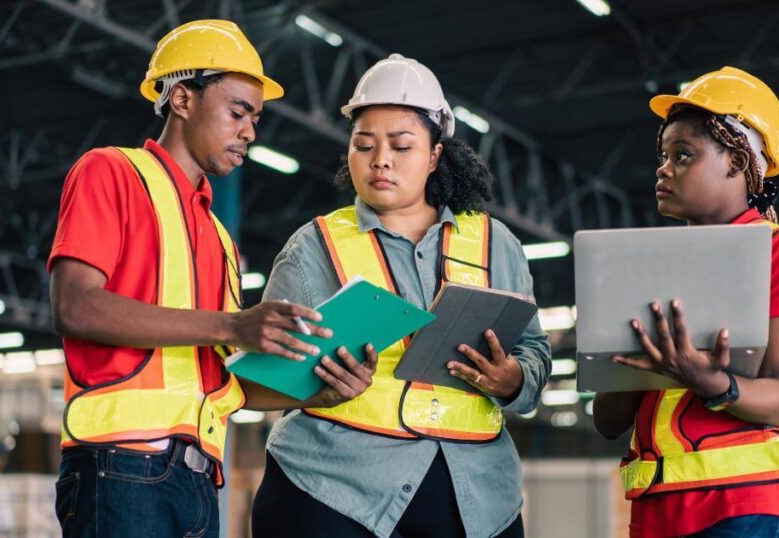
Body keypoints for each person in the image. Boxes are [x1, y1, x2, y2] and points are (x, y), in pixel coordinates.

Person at [48, 20, 375, 538]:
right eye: (238, 111)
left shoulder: (220, 238)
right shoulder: (111, 172)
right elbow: (76, 307)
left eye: (255, 118)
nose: (250, 131)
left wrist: (316, 391)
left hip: (199, 481)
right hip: (120, 468)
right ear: (181, 99)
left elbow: (222, 383)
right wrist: (233, 325)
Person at [250, 54, 552, 538]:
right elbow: (260, 377)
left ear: (435, 154)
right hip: (332, 490)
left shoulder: (497, 244)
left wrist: (511, 378)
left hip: (474, 497)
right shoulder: (314, 246)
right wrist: (319, 387)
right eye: (363, 145)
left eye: (401, 145)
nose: (380, 160)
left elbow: (534, 352)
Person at [592, 66, 779, 537]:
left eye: (683, 155)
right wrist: (639, 361)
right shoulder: (646, 268)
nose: (664, 168)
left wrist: (710, 380)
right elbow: (607, 420)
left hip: (751, 510)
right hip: (658, 514)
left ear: (738, 164)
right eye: (663, 155)